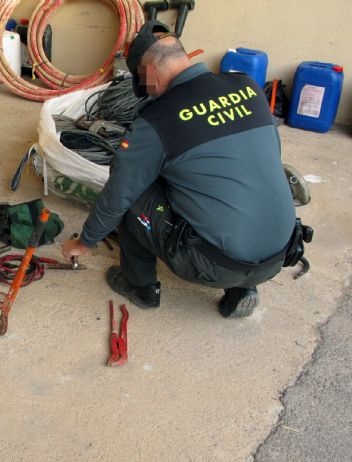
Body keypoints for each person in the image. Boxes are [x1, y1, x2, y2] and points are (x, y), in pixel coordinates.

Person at [62, 20, 296, 318]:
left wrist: (85, 241)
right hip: (279, 253)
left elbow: (119, 193)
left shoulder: (158, 119)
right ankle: (244, 289)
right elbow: (271, 156)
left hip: (213, 264)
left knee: (133, 189)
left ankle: (140, 285)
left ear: (148, 72)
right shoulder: (247, 87)